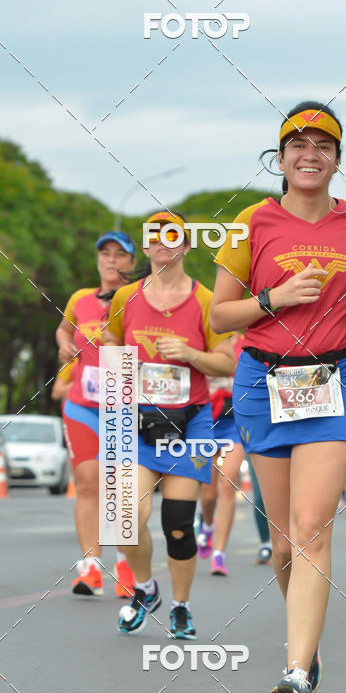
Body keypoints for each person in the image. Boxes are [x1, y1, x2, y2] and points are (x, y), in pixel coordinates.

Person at [210, 101, 346, 693]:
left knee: (312, 526)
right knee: (284, 543)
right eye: (297, 144)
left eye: (323, 145)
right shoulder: (251, 226)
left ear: (338, 159)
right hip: (265, 381)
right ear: (279, 157)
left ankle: (294, 671)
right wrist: (273, 297)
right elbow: (219, 317)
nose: (310, 155)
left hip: (340, 379)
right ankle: (308, 653)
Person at [103, 212, 235, 638]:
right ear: (146, 247)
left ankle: (181, 606)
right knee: (124, 515)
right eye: (154, 236)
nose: (163, 242)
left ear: (186, 245)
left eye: (172, 235)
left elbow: (228, 360)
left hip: (190, 422)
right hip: (135, 420)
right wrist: (124, 365)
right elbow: (110, 342)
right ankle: (145, 588)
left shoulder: (205, 299)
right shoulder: (126, 297)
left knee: (178, 523)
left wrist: (190, 354)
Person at [56, 231, 137, 598]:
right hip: (82, 405)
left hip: (123, 407)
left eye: (120, 255)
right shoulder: (80, 299)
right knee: (88, 479)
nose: (111, 260)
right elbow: (64, 328)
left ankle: (126, 564)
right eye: (105, 253)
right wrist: (64, 345)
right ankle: (90, 566)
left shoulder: (138, 299)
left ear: (132, 263)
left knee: (121, 487)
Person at [196, 334, 246, 576]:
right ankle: (206, 525)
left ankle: (219, 554)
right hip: (206, 420)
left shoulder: (247, 344)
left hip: (234, 423)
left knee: (228, 482)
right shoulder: (206, 339)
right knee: (208, 493)